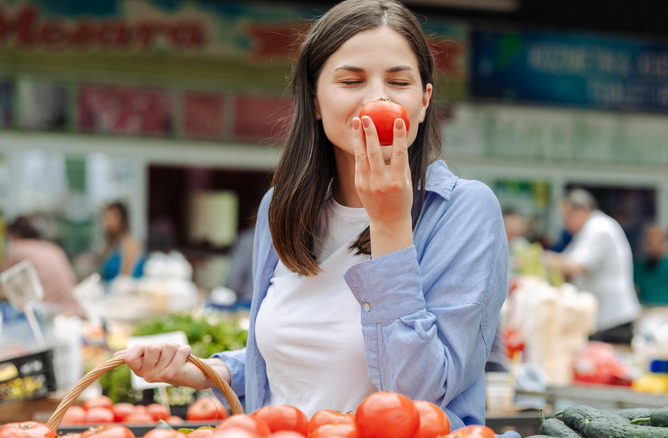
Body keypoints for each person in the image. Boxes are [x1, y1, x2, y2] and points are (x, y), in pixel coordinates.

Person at [122, 0, 508, 432]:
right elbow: (296, 358)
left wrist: (389, 226)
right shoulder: (281, 208)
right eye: (351, 80)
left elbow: (418, 398)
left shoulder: (464, 211)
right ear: (315, 99)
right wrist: (204, 372)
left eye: (399, 82)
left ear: (423, 101)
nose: (377, 98)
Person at [545, 189, 640, 344]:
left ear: (582, 210)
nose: (565, 223)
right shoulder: (587, 230)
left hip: (613, 318)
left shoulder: (599, 227)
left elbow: (578, 265)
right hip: (601, 318)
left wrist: (546, 260)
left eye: (567, 216)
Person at [1, 216, 83, 317]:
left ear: (14, 234)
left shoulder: (16, 249)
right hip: (75, 312)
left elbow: (3, 290)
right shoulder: (53, 248)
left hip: (50, 317)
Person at [99, 201, 143, 281]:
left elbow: (124, 280)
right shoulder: (112, 244)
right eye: (106, 218)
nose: (107, 223)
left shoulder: (130, 244)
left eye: (110, 218)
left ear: (121, 219)